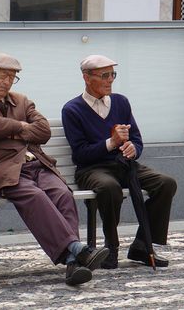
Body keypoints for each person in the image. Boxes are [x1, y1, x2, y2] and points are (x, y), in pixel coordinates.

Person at [0, 53, 109, 286]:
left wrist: (9, 130)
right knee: (36, 196)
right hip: (6, 169)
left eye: (12, 77)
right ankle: (77, 249)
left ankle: (73, 261)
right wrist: (20, 126)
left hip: (38, 164)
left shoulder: (21, 100)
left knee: (63, 194)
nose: (7, 82)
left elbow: (43, 131)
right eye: (2, 76)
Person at [61, 54, 177, 269]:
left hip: (124, 165)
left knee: (166, 183)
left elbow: (137, 139)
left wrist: (133, 149)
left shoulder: (121, 102)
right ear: (87, 78)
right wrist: (111, 143)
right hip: (91, 169)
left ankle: (143, 246)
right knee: (109, 187)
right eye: (104, 75)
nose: (110, 80)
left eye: (112, 74)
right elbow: (80, 155)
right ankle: (111, 248)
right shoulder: (72, 110)